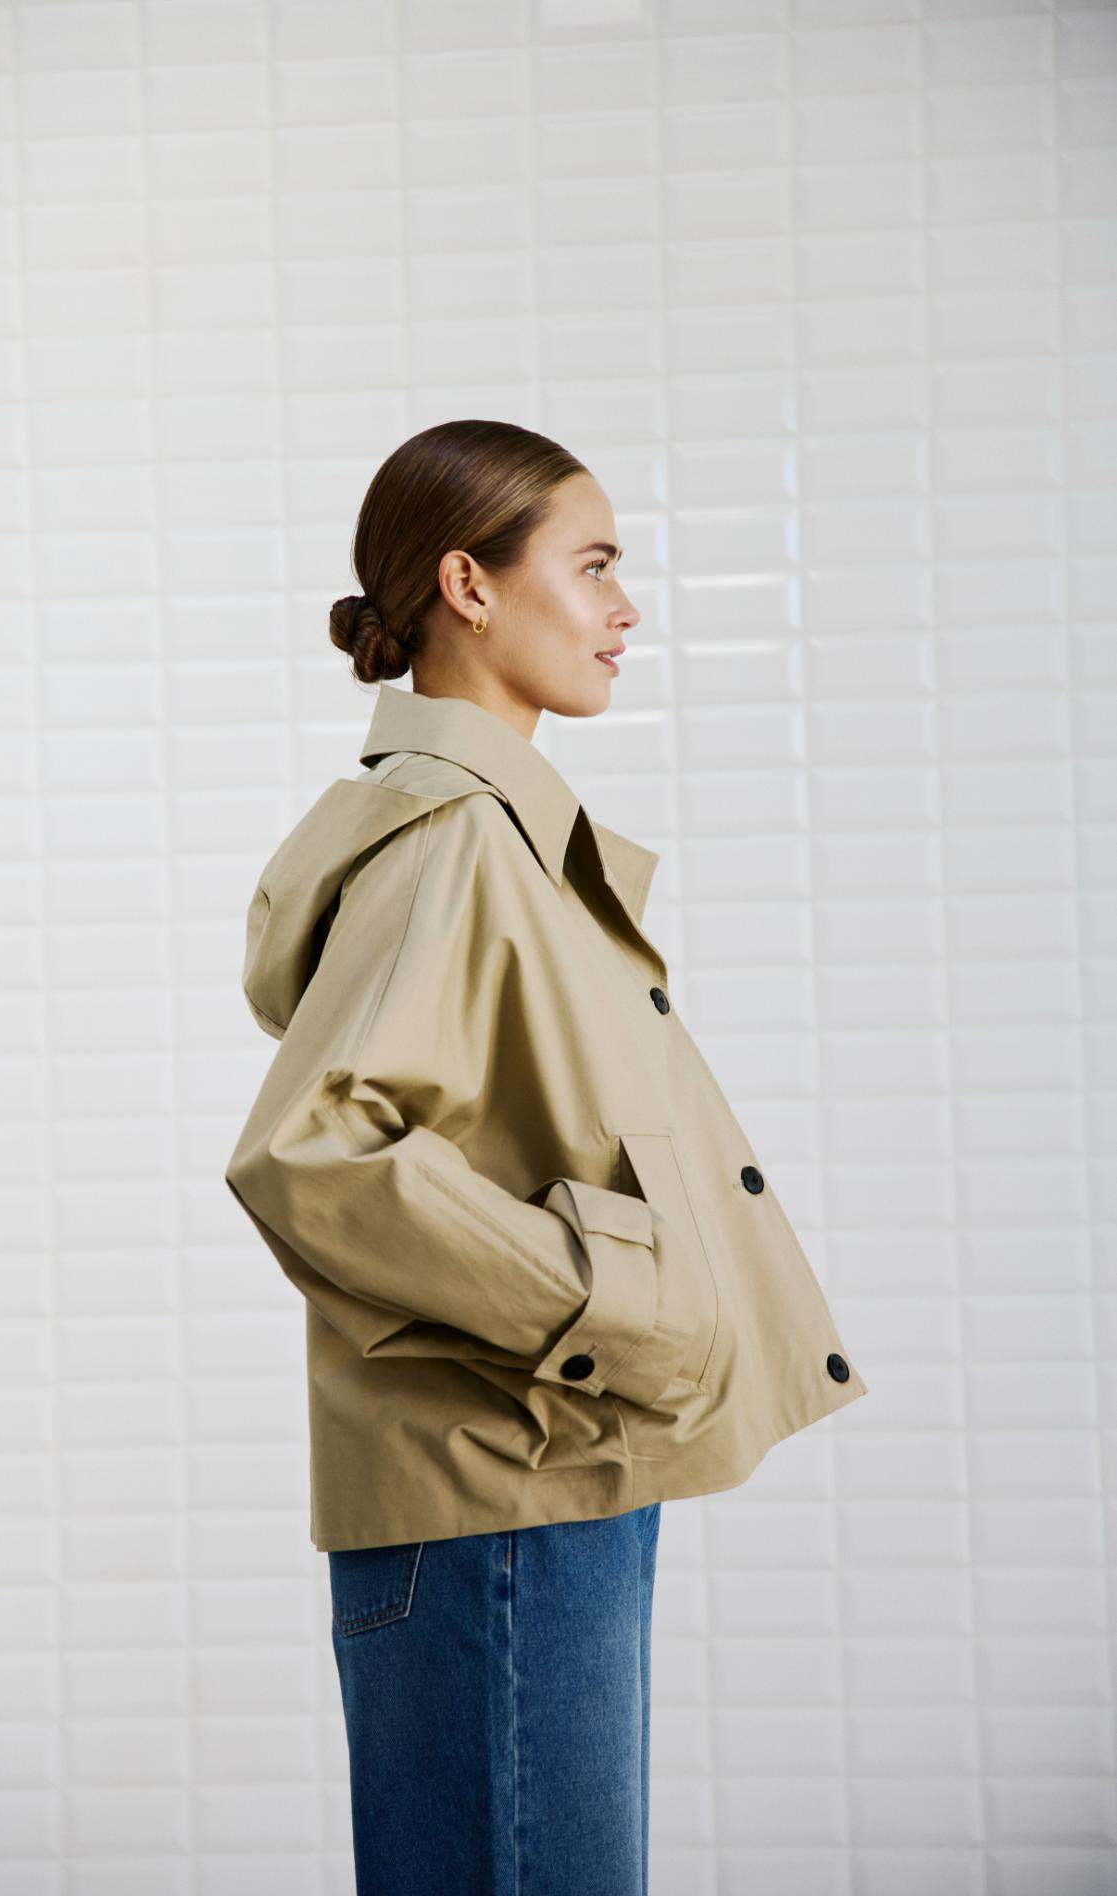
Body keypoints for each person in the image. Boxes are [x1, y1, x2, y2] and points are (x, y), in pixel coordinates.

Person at [225, 418, 868, 1894]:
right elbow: (312, 1151)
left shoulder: (491, 834)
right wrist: (610, 1306)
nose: (623, 607)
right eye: (592, 566)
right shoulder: (455, 841)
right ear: (469, 584)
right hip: (506, 1496)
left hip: (530, 1477)